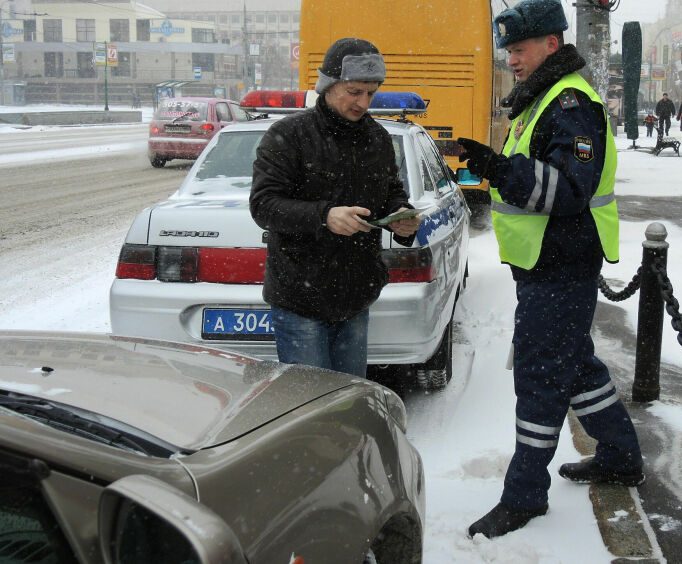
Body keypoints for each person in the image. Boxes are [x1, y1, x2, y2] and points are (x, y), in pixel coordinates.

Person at [455, 0, 643, 539]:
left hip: (562, 265)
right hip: (547, 265)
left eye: (519, 49)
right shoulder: (544, 99)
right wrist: (495, 165)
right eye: (508, 50)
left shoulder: (569, 104)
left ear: (551, 46)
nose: (511, 59)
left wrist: (497, 168)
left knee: (541, 376)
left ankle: (524, 495)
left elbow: (565, 191)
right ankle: (620, 456)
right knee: (575, 365)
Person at [250, 37, 421, 378]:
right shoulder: (289, 135)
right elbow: (264, 205)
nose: (363, 102)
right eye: (354, 91)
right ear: (328, 86)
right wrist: (325, 216)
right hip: (301, 298)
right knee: (310, 408)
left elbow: (390, 192)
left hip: (356, 298)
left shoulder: (378, 139)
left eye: (370, 93)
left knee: (348, 399)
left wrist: (400, 217)